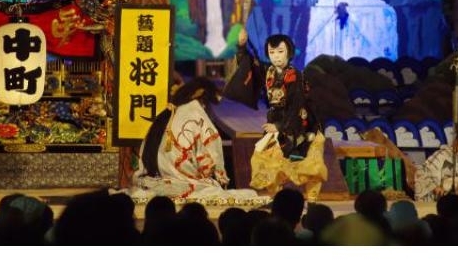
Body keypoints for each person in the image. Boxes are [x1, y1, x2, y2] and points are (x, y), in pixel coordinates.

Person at [234, 27, 327, 200]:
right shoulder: (268, 72)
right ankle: (277, 200)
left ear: (289, 53)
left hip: (299, 124)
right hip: (277, 123)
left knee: (309, 168)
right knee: (265, 162)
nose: (276, 56)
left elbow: (296, 106)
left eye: (280, 51)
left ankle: (312, 202)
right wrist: (241, 46)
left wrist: (279, 127)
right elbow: (248, 66)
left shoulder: (294, 76)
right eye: (272, 52)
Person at [132, 77, 230, 199]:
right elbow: (212, 160)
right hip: (186, 183)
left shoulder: (167, 114)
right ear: (203, 100)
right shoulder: (195, 114)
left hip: (154, 182)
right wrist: (219, 177)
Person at [414, 118, 458, 202]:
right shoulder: (442, 155)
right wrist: (434, 187)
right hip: (443, 198)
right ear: (457, 141)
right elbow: (421, 173)